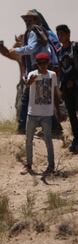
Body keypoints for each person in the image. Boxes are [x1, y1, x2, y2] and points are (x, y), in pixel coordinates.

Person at [9, 10, 62, 136]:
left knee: (27, 97)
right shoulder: (42, 32)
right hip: (43, 67)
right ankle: (55, 127)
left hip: (37, 68)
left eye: (30, 19)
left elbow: (31, 48)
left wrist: (16, 50)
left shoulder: (33, 32)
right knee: (42, 98)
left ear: (36, 20)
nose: (27, 21)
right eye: (26, 19)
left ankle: (22, 127)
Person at [21, 53, 61, 175]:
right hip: (32, 113)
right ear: (37, 64)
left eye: (45, 63)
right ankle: (28, 165)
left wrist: (58, 109)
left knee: (48, 140)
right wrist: (29, 82)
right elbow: (27, 84)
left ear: (48, 63)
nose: (43, 65)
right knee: (28, 140)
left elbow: (55, 92)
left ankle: (51, 166)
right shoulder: (32, 74)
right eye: (40, 63)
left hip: (47, 114)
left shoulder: (52, 75)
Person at [56, 24, 78, 153]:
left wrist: (73, 79)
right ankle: (76, 138)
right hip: (66, 88)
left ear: (68, 34)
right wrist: (61, 87)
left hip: (76, 85)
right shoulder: (60, 51)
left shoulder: (75, 47)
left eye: (62, 34)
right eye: (58, 34)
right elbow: (61, 71)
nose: (60, 37)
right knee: (71, 114)